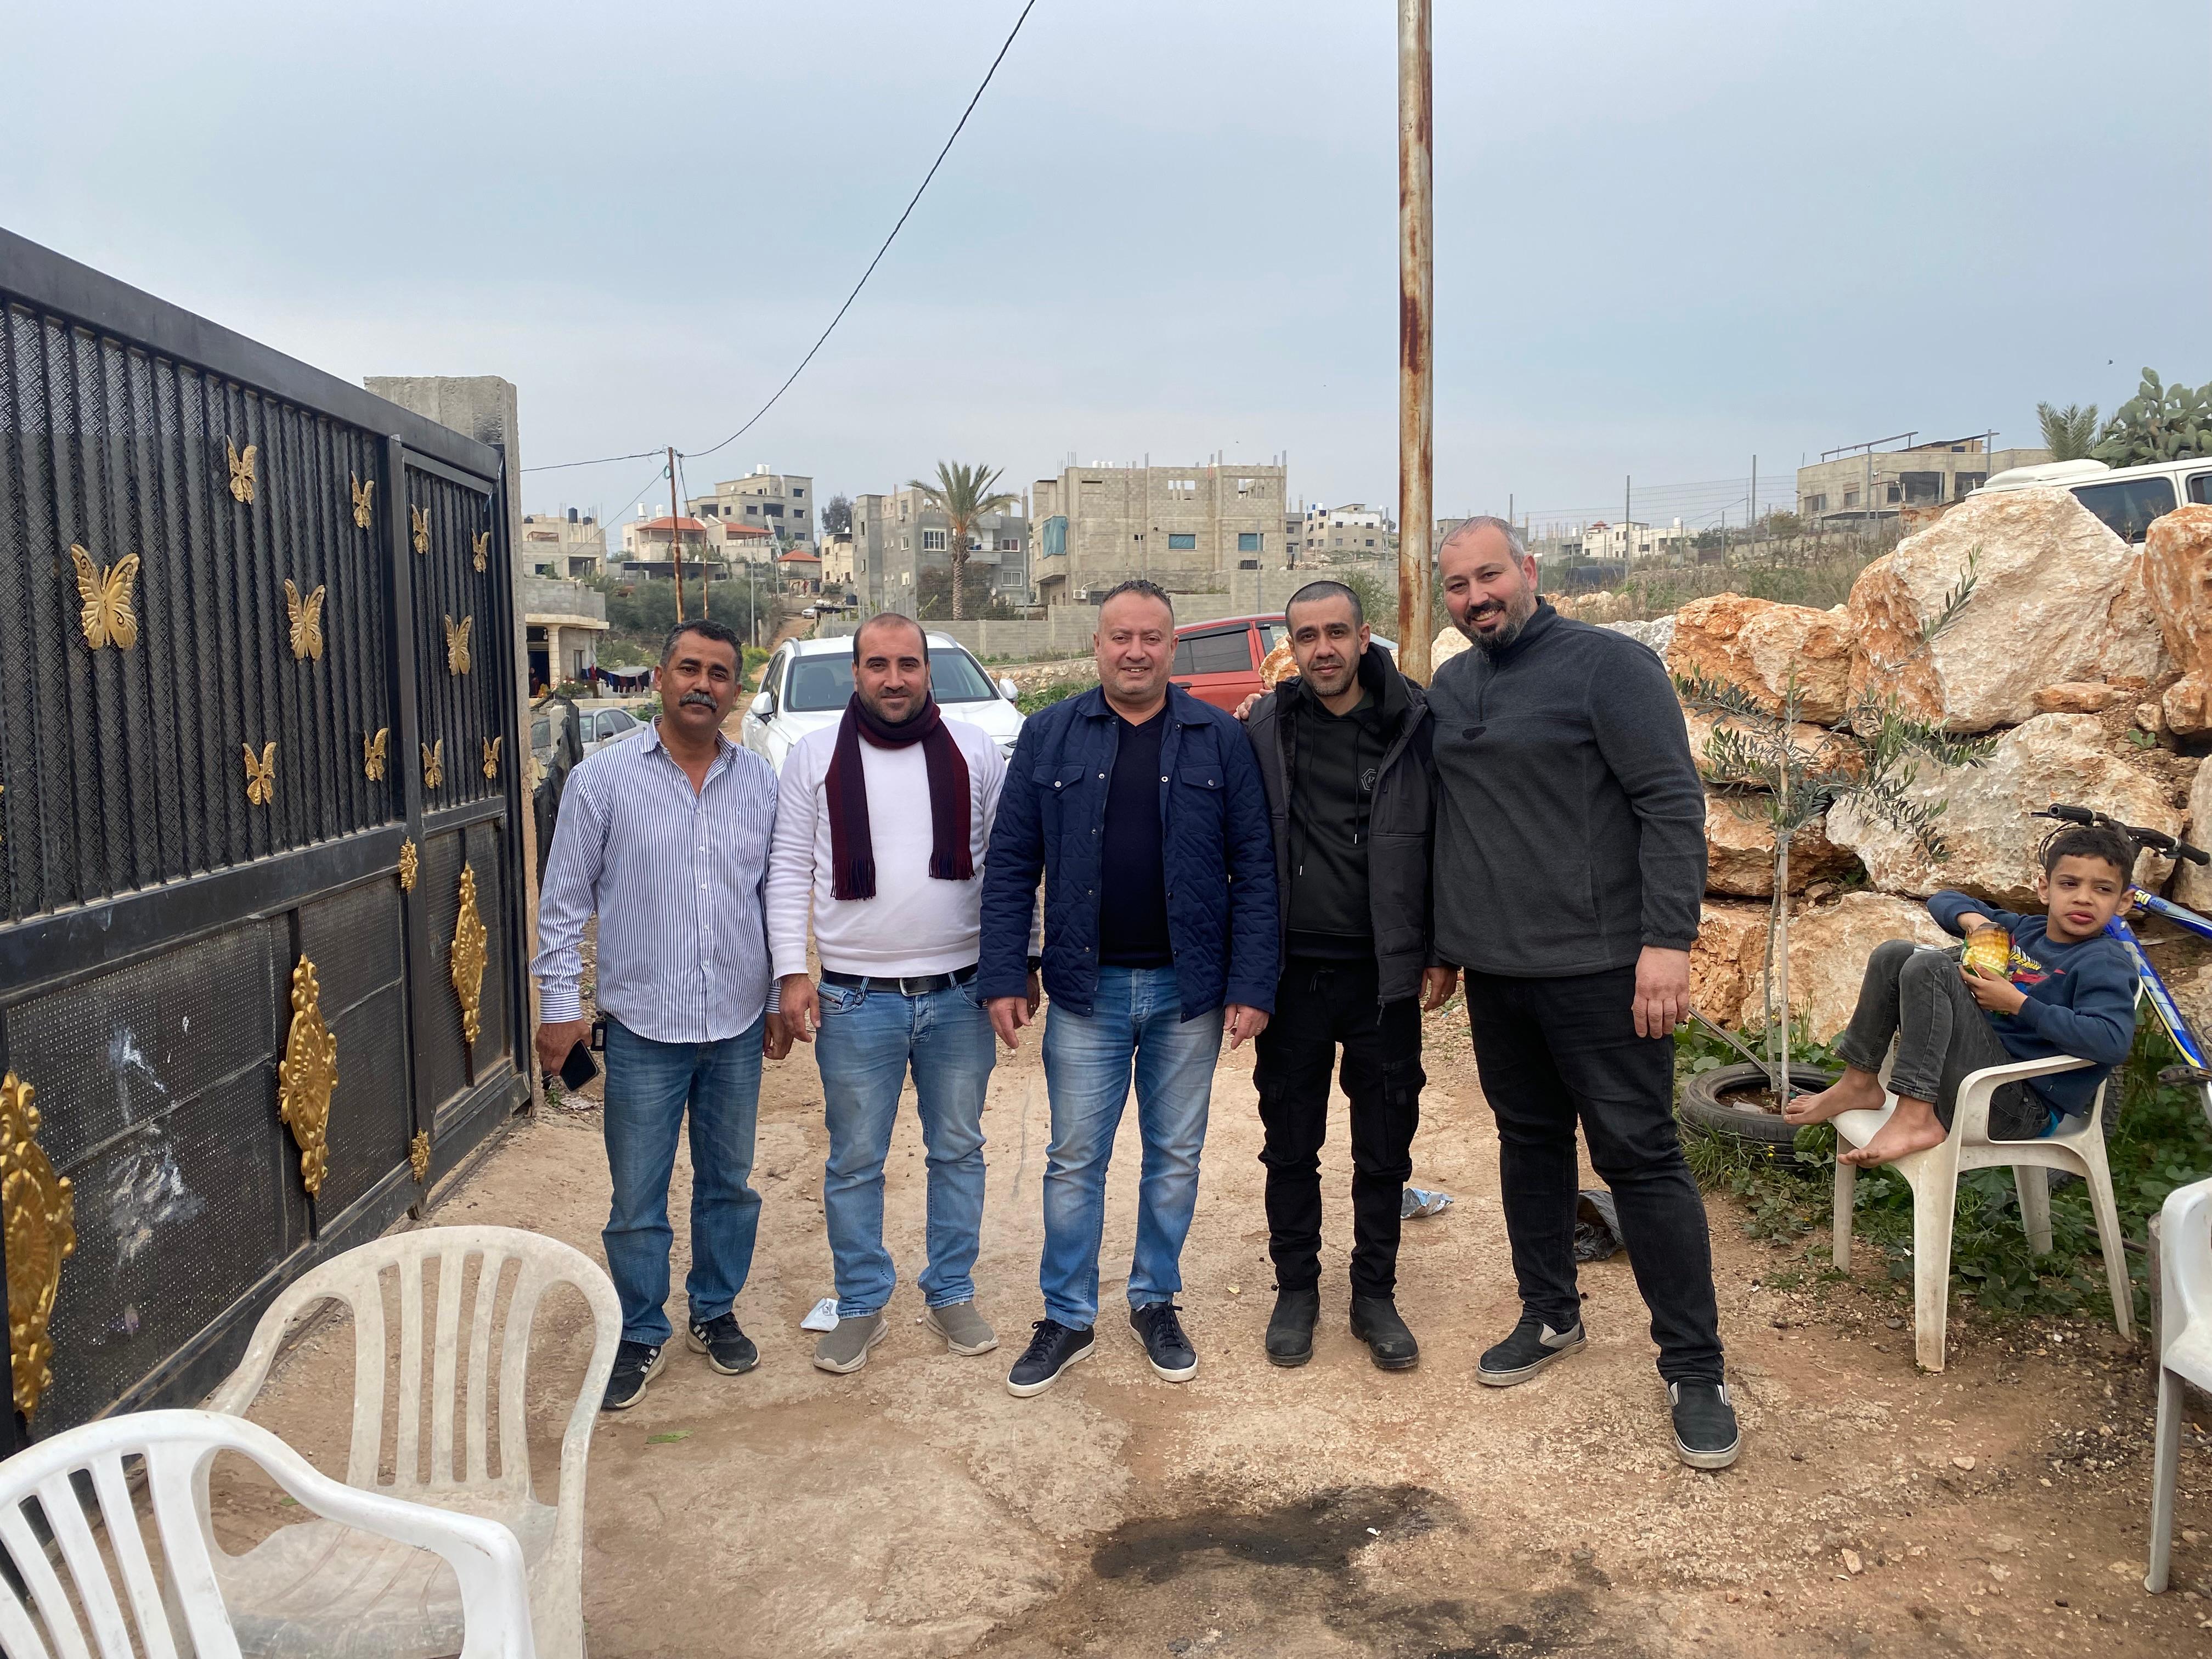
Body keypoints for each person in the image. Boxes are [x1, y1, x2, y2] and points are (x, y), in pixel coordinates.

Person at [1425, 516, 1739, 1470]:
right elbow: (1451, 824)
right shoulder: (1453, 686)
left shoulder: (1610, 667)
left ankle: (1694, 1368)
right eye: (1457, 586)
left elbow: (1671, 804)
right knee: (1528, 1145)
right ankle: (1550, 1311)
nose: (1476, 597)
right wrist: (1445, 945)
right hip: (1500, 976)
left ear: (1528, 570)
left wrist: (1666, 944)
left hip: (1605, 973)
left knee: (1640, 1158)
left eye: (1489, 576)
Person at [979, 579, 1279, 1397]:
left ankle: (1155, 1300)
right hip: (1089, 990)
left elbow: (1256, 869)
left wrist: (1253, 983)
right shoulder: (1049, 735)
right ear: (1098, 645)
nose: (1135, 652)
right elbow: (1012, 864)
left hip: (1189, 991)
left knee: (1175, 1157)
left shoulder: (1219, 738)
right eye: (1121, 637)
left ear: (1173, 648)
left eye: (1151, 638)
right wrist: (1006, 970)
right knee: (1075, 1159)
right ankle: (1067, 1316)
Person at [768, 614, 1038, 1374]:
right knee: (855, 1159)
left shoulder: (975, 751)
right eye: (878, 664)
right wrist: (792, 971)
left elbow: (1011, 866)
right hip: (854, 999)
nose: (894, 679)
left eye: (908, 664)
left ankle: (951, 1290)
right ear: (856, 673)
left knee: (958, 1149)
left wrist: (1016, 966)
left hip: (960, 995)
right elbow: (788, 868)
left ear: (927, 671)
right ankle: (860, 1302)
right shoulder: (814, 755)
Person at [533, 618, 791, 1411]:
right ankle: (641, 1327)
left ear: (736, 690)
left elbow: (775, 899)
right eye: (689, 669)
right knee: (637, 1198)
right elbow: (562, 905)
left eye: (719, 674)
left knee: (729, 1185)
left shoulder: (759, 783)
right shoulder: (602, 781)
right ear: (659, 677)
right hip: (644, 1028)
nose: (702, 685)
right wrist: (559, 1009)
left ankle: (714, 1310)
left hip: (736, 1025)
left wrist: (778, 995)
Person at [1241, 580, 1457, 1370]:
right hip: (1293, 976)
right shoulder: (1266, 725)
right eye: (1307, 637)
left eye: (1337, 632)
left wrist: (1441, 948)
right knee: (1289, 1146)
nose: (1323, 649)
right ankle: (1296, 1291)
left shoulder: (1419, 723)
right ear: (1290, 648)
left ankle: (1375, 1297)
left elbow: (1447, 841)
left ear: (1365, 637)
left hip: (1382, 977)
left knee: (1385, 1147)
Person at [1785, 824, 2140, 1162]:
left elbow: (2111, 1042)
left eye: (2103, 890)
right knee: (1894, 955)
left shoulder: (2104, 963)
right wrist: (1977, 923)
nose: (2083, 899)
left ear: (2123, 902)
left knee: (1931, 967)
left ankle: (1915, 1116)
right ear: (2045, 889)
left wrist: (2019, 1004)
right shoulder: (2024, 931)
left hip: (2016, 1106)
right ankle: (1859, 1082)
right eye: (2070, 884)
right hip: (1966, 1080)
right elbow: (1944, 900)